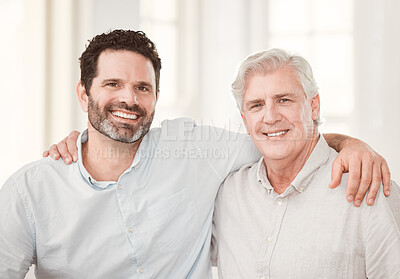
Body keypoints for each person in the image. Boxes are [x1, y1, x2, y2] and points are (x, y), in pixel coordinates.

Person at [0, 30, 391, 278]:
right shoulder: (31, 191)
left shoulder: (194, 148)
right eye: (113, 84)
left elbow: (280, 140)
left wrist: (349, 144)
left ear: (155, 98)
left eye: (142, 87)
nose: (128, 99)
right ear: (84, 94)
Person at [211, 49, 400, 278]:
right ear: (244, 119)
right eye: (256, 105)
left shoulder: (369, 189)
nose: (270, 117)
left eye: (284, 100)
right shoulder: (229, 194)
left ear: (314, 106)